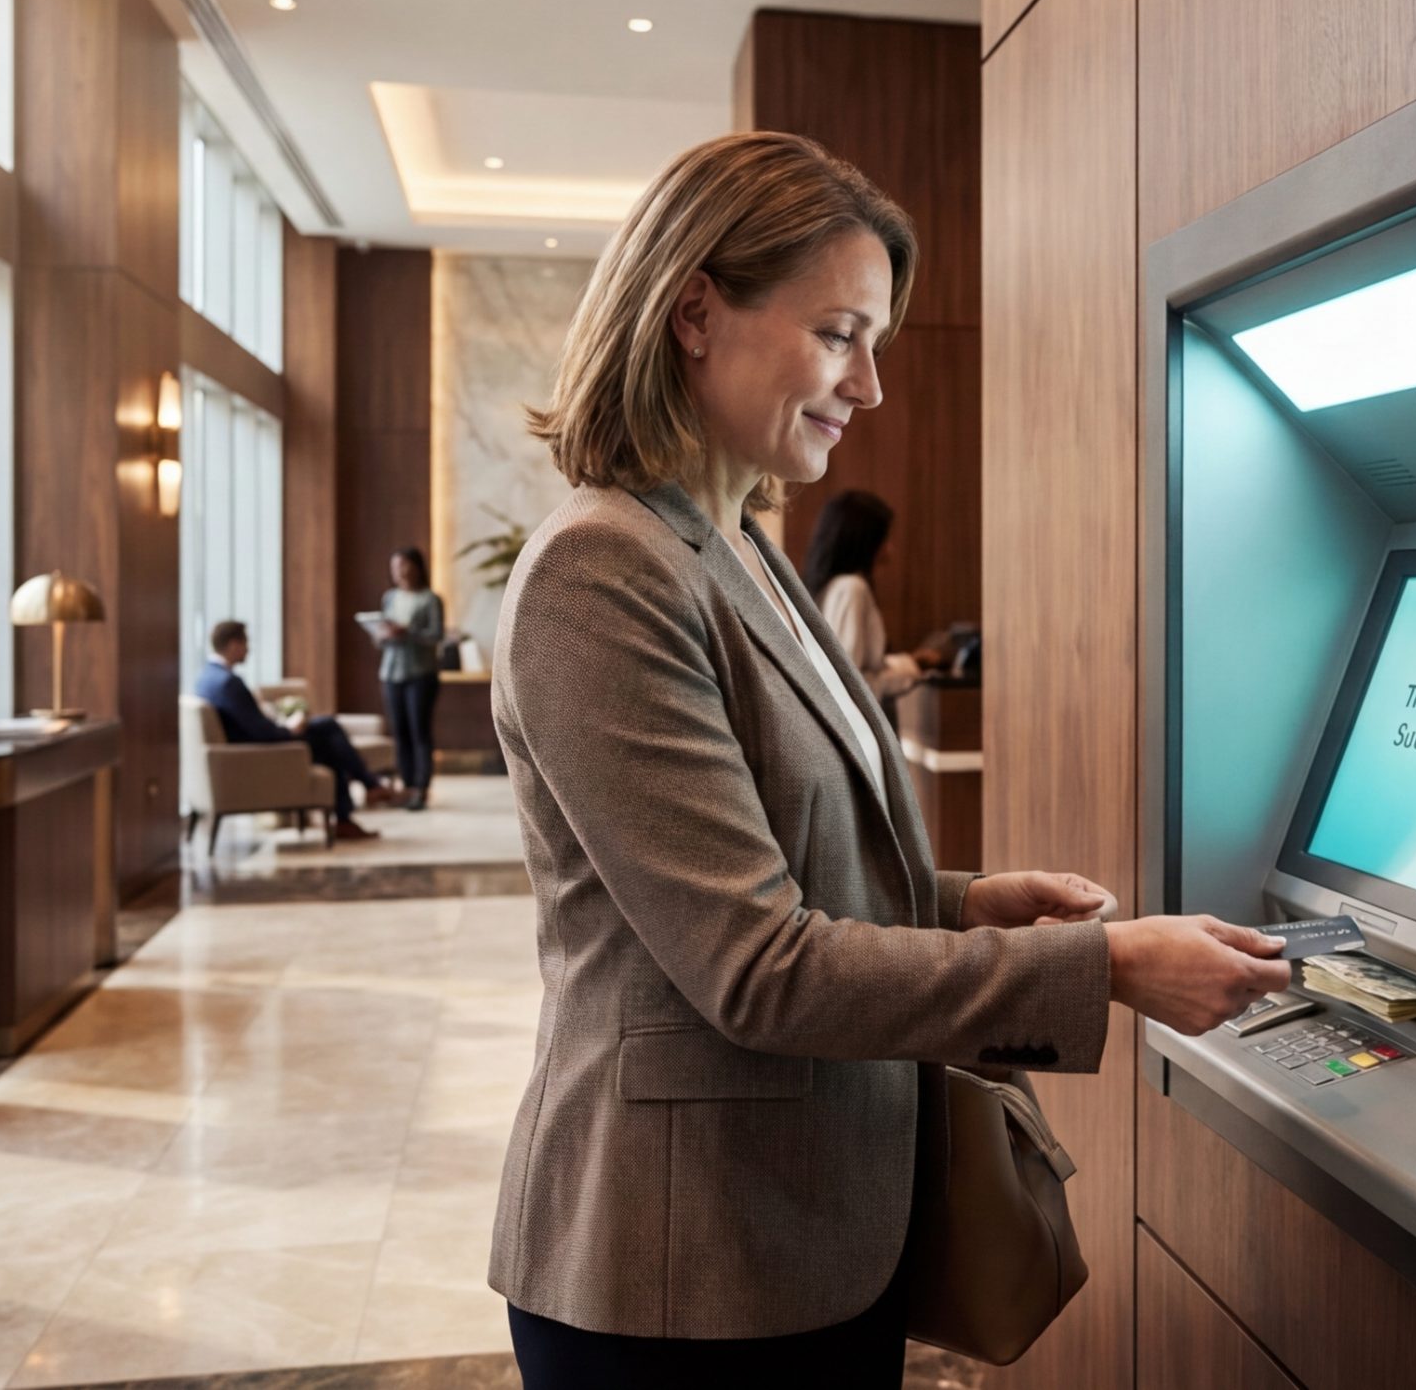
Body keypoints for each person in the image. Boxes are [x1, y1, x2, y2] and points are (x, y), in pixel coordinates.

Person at [489, 130, 1290, 1386]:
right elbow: (754, 967)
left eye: (875, 345)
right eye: (838, 333)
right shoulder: (602, 571)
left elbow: (784, 865)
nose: (867, 387)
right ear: (695, 312)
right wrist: (1101, 968)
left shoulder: (741, 542)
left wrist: (967, 900)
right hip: (677, 1269)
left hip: (810, 1230)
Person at [194, 619, 390, 842]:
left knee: (330, 747)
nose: (248, 649)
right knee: (328, 728)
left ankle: (351, 810)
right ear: (233, 645)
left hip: (246, 751)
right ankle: (366, 788)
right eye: (245, 643)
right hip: (261, 753)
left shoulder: (206, 678)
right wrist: (289, 730)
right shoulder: (228, 682)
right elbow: (260, 732)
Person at [802, 489, 942, 701]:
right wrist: (909, 672)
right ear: (864, 541)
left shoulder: (831, 588)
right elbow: (850, 685)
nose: (889, 549)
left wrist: (910, 662)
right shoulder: (853, 589)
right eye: (884, 539)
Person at [377, 546, 445, 811]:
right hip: (391, 673)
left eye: (404, 565)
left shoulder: (430, 599)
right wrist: (382, 635)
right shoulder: (389, 598)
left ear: (417, 567)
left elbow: (436, 636)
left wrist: (409, 632)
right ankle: (405, 786)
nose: (399, 571)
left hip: (421, 674)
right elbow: (381, 641)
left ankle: (421, 788)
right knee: (400, 732)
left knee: (420, 732)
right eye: (395, 567)